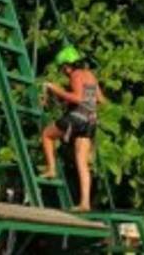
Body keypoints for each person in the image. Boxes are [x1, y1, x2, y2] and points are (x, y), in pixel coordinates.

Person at [40, 45, 106, 211]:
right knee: (82, 163)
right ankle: (85, 203)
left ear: (68, 65)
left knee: (47, 135)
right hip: (91, 119)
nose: (64, 71)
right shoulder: (90, 75)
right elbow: (100, 99)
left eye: (63, 68)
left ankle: (51, 169)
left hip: (78, 116)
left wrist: (56, 90)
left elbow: (77, 98)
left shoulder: (76, 75)